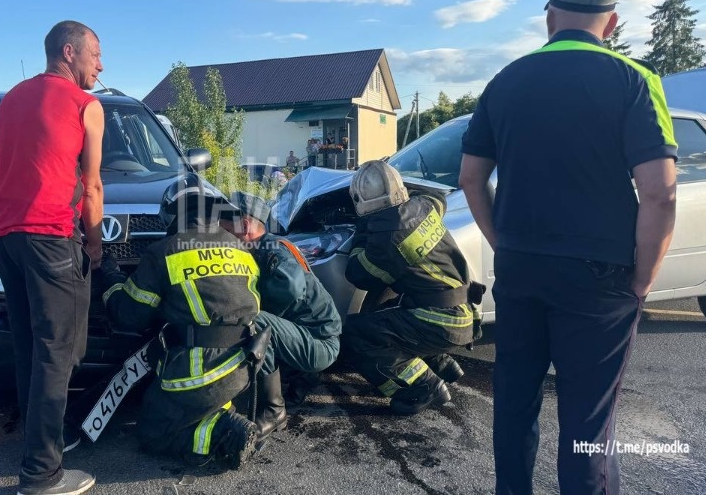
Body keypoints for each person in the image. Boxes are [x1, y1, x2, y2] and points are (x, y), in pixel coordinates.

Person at [459, 0, 677, 495]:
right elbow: (660, 193)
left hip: (520, 267)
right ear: (612, 22)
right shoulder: (634, 79)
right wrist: (643, 280)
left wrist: (503, 243)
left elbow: (470, 178)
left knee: (514, 402)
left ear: (550, 19)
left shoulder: (505, 80)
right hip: (600, 276)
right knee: (587, 421)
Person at [0, 20, 104, 495]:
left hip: (3, 234)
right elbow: (92, 186)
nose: (101, 65)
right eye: (96, 54)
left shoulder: (12, 97)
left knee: (31, 347)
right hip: (50, 236)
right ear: (69, 52)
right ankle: (41, 474)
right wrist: (94, 244)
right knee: (60, 353)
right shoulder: (86, 105)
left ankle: (41, 443)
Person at [101, 175, 269, 469]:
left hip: (199, 370)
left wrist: (111, 277)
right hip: (245, 363)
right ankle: (217, 412)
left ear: (170, 214)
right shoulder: (240, 248)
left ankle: (223, 432)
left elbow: (130, 315)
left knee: (152, 433)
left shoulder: (165, 251)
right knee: (187, 403)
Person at [342, 160, 482, 416]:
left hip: (440, 321)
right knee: (389, 312)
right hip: (464, 311)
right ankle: (442, 365)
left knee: (355, 332)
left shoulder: (387, 238)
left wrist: (362, 231)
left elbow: (357, 274)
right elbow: (437, 197)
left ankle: (423, 387)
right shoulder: (426, 205)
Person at [218, 192, 342, 434]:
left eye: (225, 228)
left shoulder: (273, 250)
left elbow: (291, 289)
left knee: (253, 319)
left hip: (321, 343)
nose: (221, 235)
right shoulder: (261, 248)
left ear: (244, 226)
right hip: (309, 337)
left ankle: (274, 411)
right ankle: (299, 374)